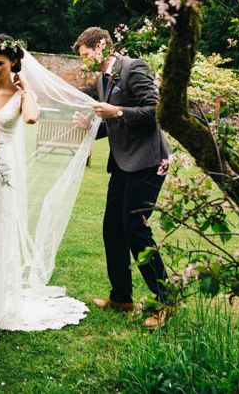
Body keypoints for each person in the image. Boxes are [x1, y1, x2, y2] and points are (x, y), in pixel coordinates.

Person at [72, 26, 171, 329]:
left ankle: (165, 300)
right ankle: (121, 297)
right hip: (122, 163)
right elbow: (112, 122)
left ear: (102, 45)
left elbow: (156, 110)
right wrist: (88, 127)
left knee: (135, 230)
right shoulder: (104, 78)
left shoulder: (133, 68)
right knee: (112, 229)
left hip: (148, 161)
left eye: (87, 55)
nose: (85, 62)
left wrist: (116, 112)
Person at [0, 34, 40, 345]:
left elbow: (30, 118)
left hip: (4, 165)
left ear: (13, 62)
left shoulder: (19, 91)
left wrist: (27, 92)